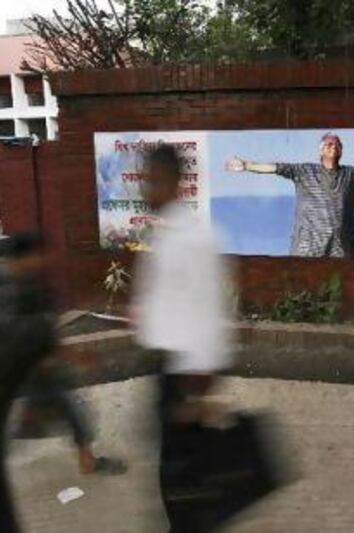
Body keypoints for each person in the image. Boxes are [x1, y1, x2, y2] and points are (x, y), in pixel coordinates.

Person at [131, 144, 232, 531]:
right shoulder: (164, 235)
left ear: (174, 182)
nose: (146, 189)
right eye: (144, 180)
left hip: (185, 377)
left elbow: (211, 314)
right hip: (166, 370)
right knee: (175, 479)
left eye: (152, 181)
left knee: (186, 485)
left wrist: (198, 394)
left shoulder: (194, 238)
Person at [3, 232, 126, 476]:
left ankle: (84, 458)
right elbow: (32, 335)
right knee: (75, 415)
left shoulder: (30, 286)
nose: (43, 259)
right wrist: (72, 357)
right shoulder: (23, 293)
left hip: (37, 368)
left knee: (48, 415)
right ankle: (88, 462)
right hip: (40, 369)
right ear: (23, 258)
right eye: (36, 254)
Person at [224, 132, 354, 258]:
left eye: (337, 144)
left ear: (342, 150)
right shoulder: (304, 172)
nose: (334, 147)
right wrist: (246, 165)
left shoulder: (353, 176)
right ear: (321, 150)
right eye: (329, 144)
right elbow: (274, 168)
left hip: (341, 248)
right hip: (307, 247)